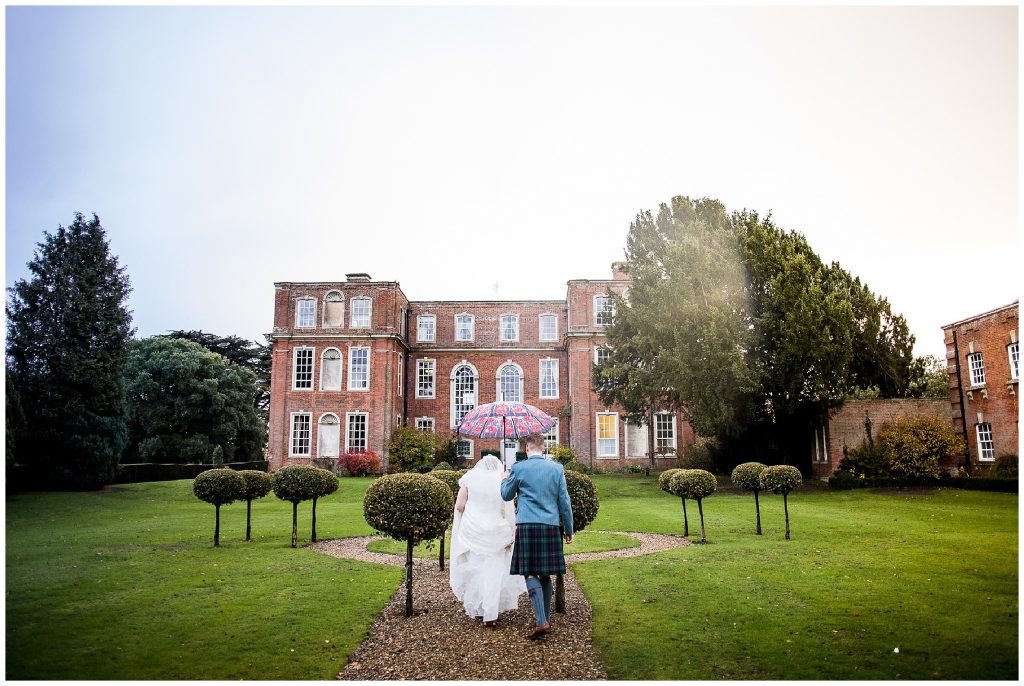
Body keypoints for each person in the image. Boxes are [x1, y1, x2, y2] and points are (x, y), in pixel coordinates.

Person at [500, 432, 574, 640]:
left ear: (527, 448)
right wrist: (569, 530)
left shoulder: (518, 468)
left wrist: (505, 479)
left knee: (530, 573)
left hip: (527, 526)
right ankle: (545, 620)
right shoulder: (557, 469)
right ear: (544, 449)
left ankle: (542, 621)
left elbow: (506, 495)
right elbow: (564, 503)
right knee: (545, 574)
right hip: (550, 527)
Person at [449, 454, 527, 626]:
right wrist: (510, 533)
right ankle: (490, 613)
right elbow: (507, 509)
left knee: (476, 569)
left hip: (473, 532)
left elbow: (460, 505)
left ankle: (478, 610)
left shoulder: (470, 478)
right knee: (494, 572)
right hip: (497, 532)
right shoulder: (501, 479)